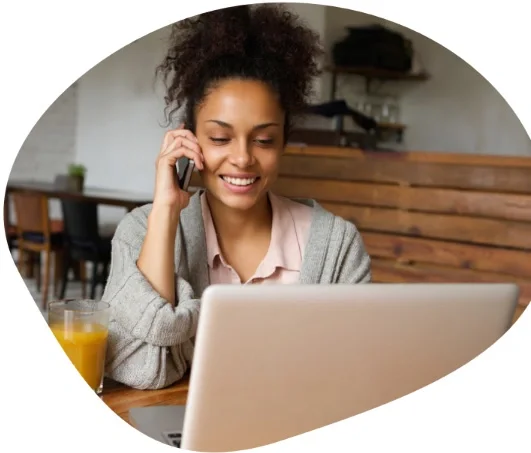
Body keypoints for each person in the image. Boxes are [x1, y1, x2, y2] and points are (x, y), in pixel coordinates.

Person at [102, 4, 371, 390]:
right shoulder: (140, 230)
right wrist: (165, 212)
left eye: (263, 140)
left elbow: (356, 374)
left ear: (283, 143)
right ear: (189, 138)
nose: (243, 158)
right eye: (219, 138)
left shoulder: (337, 246)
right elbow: (140, 369)